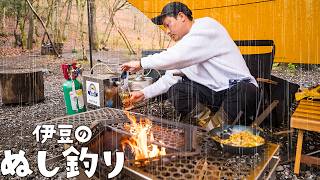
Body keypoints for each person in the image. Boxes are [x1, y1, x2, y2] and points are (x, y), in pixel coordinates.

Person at [121, 1, 258, 126]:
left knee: (245, 90)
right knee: (177, 90)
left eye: (168, 25)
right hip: (212, 95)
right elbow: (170, 78)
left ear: (181, 16)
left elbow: (177, 57)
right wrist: (144, 93)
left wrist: (141, 63)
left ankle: (219, 128)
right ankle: (209, 124)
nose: (167, 31)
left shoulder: (206, 26)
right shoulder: (184, 46)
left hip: (233, 90)